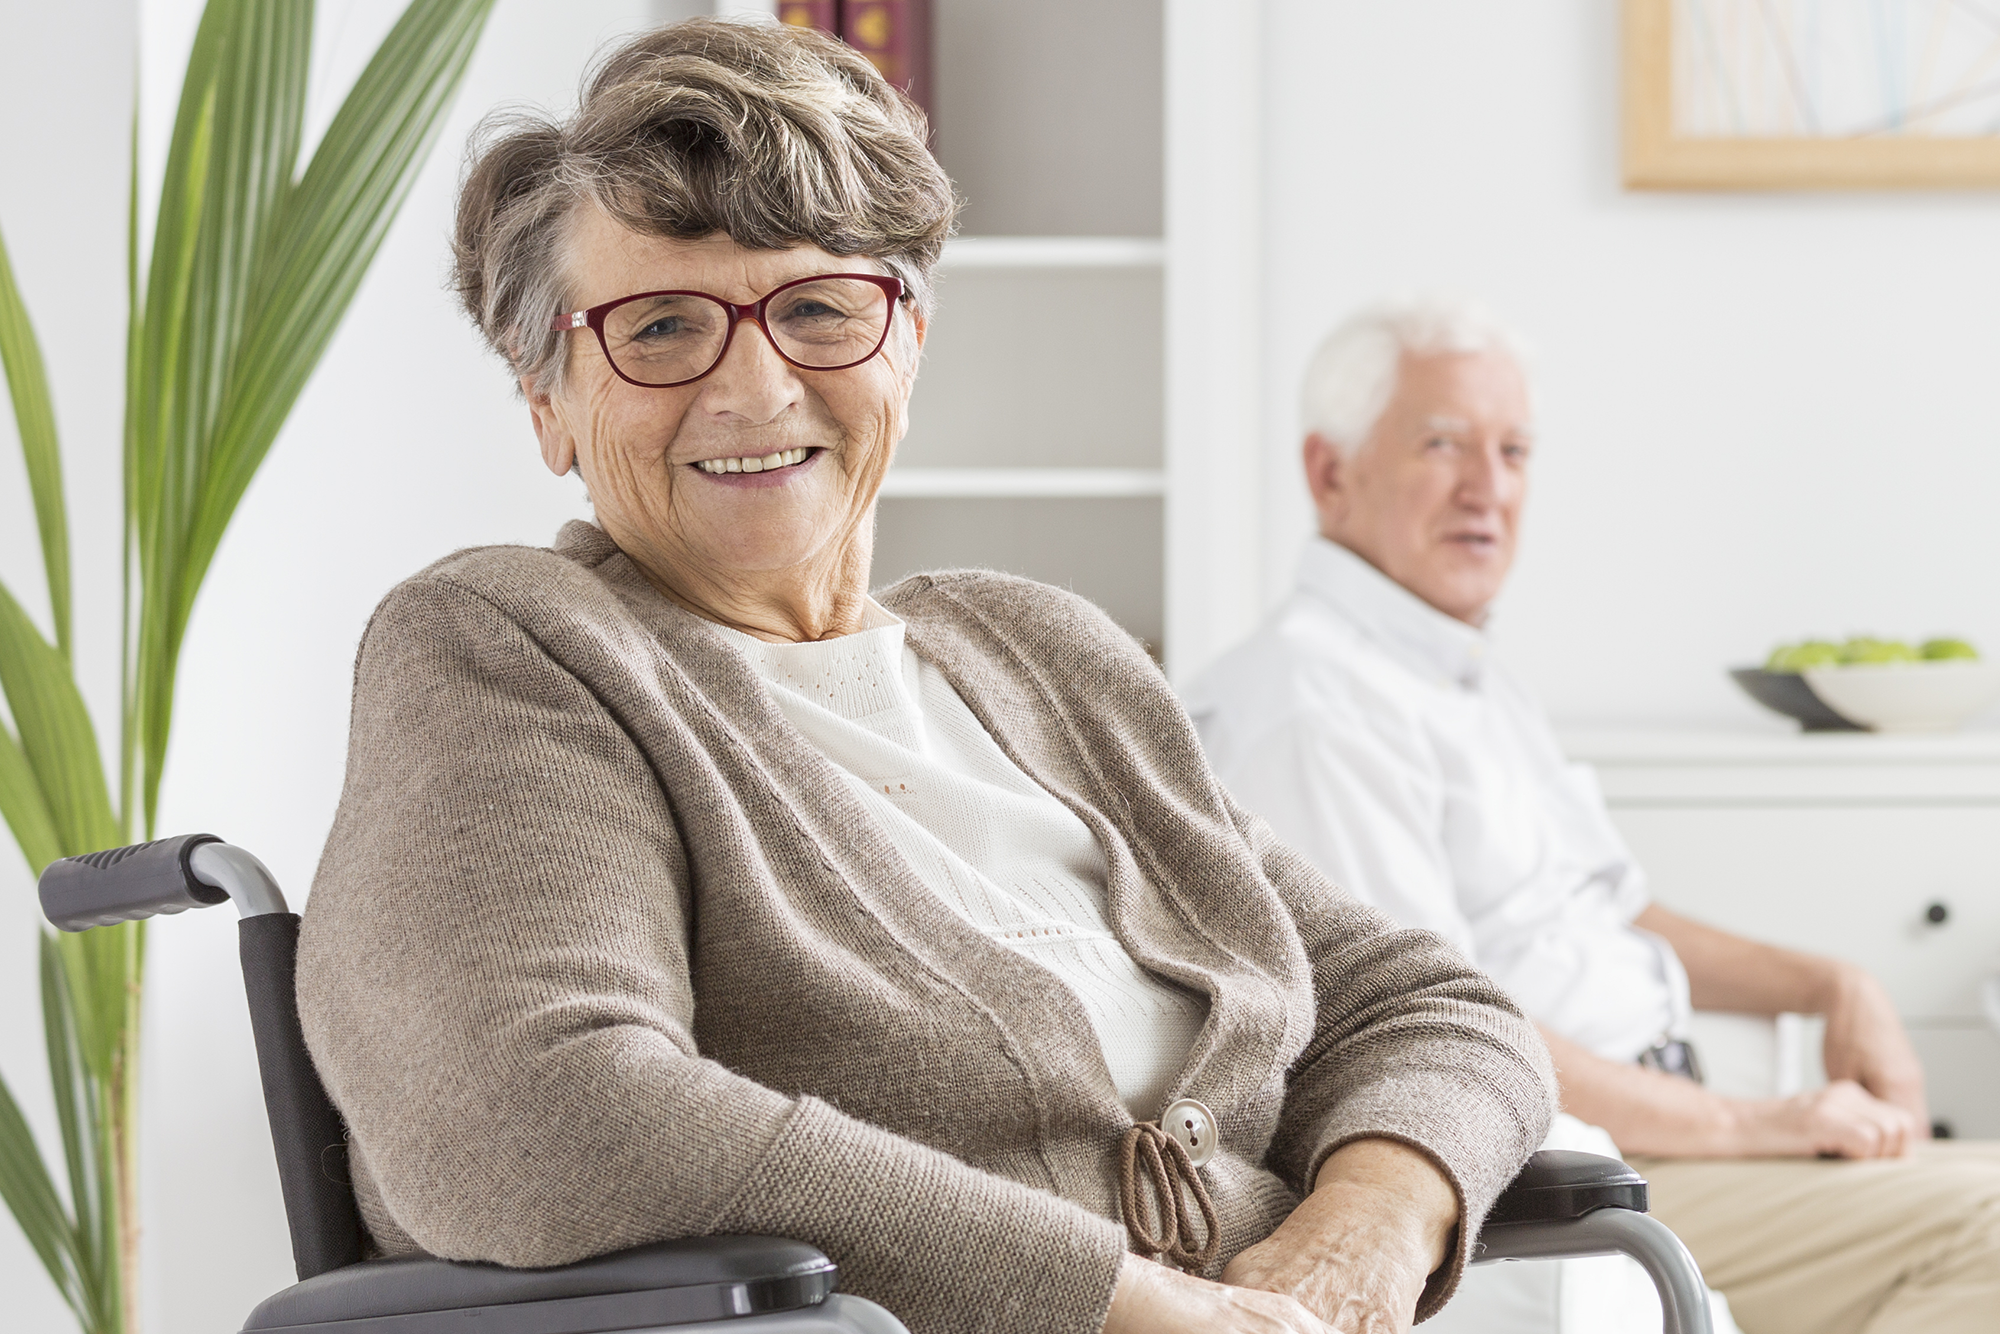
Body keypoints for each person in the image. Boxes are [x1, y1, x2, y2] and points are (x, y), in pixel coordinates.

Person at [293, 25, 1556, 1334]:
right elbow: (527, 1112)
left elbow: (1429, 1004)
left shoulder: (1043, 655)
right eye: (661, 325)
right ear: (546, 399)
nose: (755, 383)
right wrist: (1124, 1302)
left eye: (819, 309)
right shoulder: (518, 652)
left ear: (907, 343)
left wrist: (1364, 1236)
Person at [1188, 294, 2000, 1334]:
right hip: (1570, 1165)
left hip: (1675, 1123)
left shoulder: (1450, 663)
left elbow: (1616, 910)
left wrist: (1830, 981)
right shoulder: (1309, 707)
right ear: (1328, 472)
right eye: (1442, 443)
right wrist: (1758, 1123)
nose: (1489, 487)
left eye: (1514, 450)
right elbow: (1433, 1037)